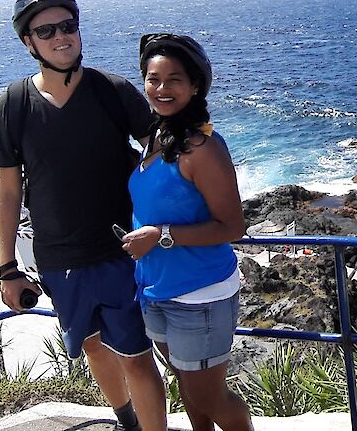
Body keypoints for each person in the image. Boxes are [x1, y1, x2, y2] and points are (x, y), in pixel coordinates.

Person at [0, 0, 166, 431]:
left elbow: (164, 154)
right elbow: (8, 191)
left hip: (121, 251)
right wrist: (8, 268)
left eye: (67, 25)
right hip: (58, 259)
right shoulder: (14, 104)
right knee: (91, 345)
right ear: (28, 42)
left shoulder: (112, 90)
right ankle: (126, 421)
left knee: (137, 356)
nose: (60, 36)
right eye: (45, 31)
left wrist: (170, 225)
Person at [121, 33, 253, 431]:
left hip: (200, 295)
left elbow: (233, 226)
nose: (162, 88)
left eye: (174, 79)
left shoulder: (202, 148)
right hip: (156, 288)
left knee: (209, 396)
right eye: (153, 79)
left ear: (195, 86)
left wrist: (160, 235)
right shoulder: (157, 138)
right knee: (187, 385)